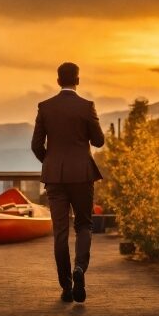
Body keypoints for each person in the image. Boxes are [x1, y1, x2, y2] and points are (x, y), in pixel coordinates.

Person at [31, 62, 105, 303]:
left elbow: (35, 145)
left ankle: (66, 286)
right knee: (84, 225)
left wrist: (51, 163)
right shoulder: (87, 107)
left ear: (57, 80)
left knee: (60, 232)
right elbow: (99, 141)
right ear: (78, 80)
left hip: (55, 178)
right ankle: (80, 269)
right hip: (82, 175)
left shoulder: (45, 107)